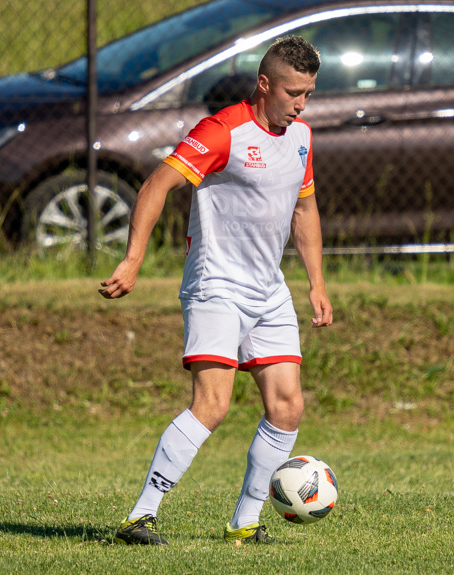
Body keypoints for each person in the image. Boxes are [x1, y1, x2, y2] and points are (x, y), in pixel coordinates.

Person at [99, 36, 332, 545]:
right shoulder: (223, 130)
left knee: (288, 405)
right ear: (264, 84)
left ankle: (245, 524)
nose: (301, 104)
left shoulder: (302, 137)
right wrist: (134, 259)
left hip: (269, 290)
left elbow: (304, 208)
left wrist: (316, 282)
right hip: (216, 285)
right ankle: (141, 516)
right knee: (213, 402)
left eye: (309, 93)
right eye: (293, 92)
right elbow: (157, 183)